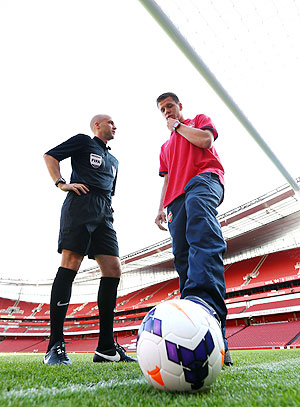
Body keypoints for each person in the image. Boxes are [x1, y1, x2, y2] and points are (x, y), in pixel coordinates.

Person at [43, 114, 136, 365]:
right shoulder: (84, 142)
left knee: (113, 269)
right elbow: (50, 156)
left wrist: (106, 211)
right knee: (71, 262)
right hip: (80, 206)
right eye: (110, 122)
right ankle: (55, 345)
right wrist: (62, 183)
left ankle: (106, 348)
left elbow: (111, 191)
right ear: (97, 125)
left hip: (104, 213)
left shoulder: (114, 160)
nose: (115, 125)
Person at [155, 92, 233, 366]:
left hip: (203, 179)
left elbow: (206, 140)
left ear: (180, 106)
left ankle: (207, 312)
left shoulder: (197, 121)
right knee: (183, 257)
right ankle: (195, 328)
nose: (166, 111)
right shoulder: (165, 148)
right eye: (162, 109)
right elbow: (166, 179)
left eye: (170, 106)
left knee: (202, 232)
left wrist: (178, 126)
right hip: (175, 198)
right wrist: (160, 207)